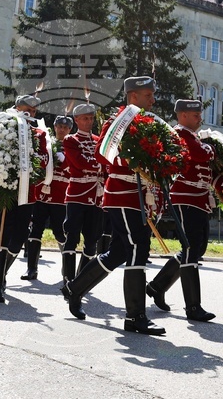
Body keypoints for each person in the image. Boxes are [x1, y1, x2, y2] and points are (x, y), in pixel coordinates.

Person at [62, 76, 168, 336]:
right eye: (147, 95)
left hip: (138, 196)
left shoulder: (146, 122)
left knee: (119, 252)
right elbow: (101, 154)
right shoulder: (117, 122)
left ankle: (75, 288)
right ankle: (135, 316)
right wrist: (130, 161)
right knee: (137, 247)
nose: (152, 99)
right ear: (133, 96)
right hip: (121, 193)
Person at [145, 99, 223, 322]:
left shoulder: (195, 137)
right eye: (195, 114)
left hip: (199, 199)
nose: (200, 118)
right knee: (190, 249)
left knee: (197, 248)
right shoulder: (180, 134)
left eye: (199, 114)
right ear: (182, 116)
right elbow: (200, 155)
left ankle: (156, 286)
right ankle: (193, 307)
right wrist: (212, 148)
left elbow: (206, 166)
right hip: (185, 198)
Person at [0, 95, 49, 303]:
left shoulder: (39, 134)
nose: (30, 114)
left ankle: (2, 272)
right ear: (16, 109)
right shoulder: (4, 128)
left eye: (33, 111)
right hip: (5, 189)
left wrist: (32, 162)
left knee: (22, 234)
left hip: (28, 192)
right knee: (3, 232)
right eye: (26, 110)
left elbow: (44, 158)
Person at [61, 103, 106, 287]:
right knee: (72, 237)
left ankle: (81, 280)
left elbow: (107, 165)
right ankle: (68, 279)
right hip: (78, 195)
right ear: (76, 120)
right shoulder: (71, 140)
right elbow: (80, 163)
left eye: (91, 118)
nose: (89, 121)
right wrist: (98, 163)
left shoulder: (98, 140)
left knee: (92, 240)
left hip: (96, 197)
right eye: (85, 118)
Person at [21, 114, 71, 281]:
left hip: (60, 195)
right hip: (42, 193)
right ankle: (31, 269)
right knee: (35, 229)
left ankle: (68, 269)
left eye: (65, 127)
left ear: (70, 129)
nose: (61, 129)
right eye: (59, 126)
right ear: (55, 127)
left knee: (60, 231)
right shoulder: (47, 143)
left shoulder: (71, 145)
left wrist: (65, 160)